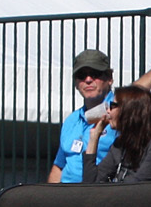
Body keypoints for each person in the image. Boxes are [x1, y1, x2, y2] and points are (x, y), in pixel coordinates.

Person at [45, 50, 114, 184]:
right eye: (81, 76)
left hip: (102, 194)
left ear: (109, 78)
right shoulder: (71, 120)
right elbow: (59, 166)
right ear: (76, 83)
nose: (88, 80)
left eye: (95, 74)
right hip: (67, 197)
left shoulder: (121, 114)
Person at [84, 85, 151, 184]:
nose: (108, 111)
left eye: (113, 106)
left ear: (129, 110)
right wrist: (94, 138)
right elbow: (91, 184)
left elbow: (140, 186)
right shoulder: (121, 143)